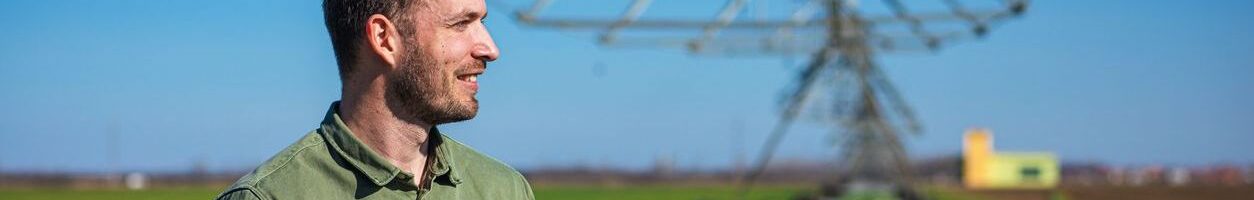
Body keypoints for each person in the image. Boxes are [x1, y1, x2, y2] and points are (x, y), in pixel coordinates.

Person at [217, 0, 532, 199]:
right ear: (384, 38)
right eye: (461, 24)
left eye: (482, 22)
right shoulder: (269, 196)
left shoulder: (504, 190)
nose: (490, 48)